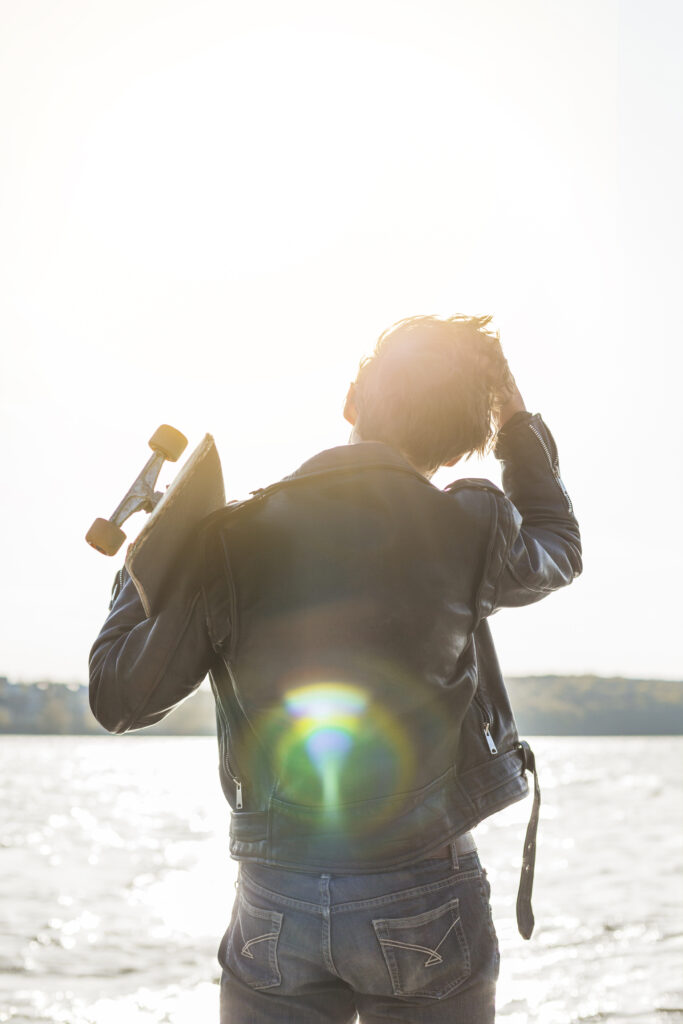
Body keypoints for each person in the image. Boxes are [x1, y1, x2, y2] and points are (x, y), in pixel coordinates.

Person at [89, 314, 582, 1023]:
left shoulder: (230, 537)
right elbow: (558, 543)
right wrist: (509, 412)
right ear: (454, 453)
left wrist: (147, 563)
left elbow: (118, 697)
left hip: (275, 898)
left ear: (351, 400)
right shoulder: (473, 525)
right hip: (423, 889)